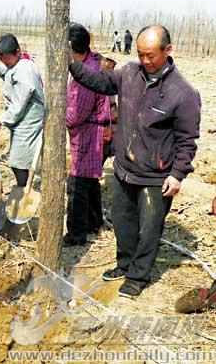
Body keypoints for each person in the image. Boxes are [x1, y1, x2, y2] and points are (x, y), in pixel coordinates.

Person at [68, 25, 201, 298]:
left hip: (156, 175)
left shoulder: (183, 93)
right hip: (124, 168)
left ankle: (138, 277)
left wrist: (177, 174)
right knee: (122, 220)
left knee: (149, 228)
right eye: (140, 54)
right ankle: (124, 264)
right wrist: (72, 65)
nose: (144, 60)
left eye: (150, 55)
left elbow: (187, 140)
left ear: (168, 50)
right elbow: (101, 82)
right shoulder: (130, 73)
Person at [64, 23, 111, 246]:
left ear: (72, 49)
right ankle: (95, 223)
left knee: (77, 185)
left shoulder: (86, 75)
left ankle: (76, 234)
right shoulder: (90, 62)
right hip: (93, 132)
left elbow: (76, 115)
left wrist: (57, 121)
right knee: (90, 181)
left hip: (89, 135)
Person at [0, 33, 44, 188]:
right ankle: (25, 187)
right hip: (21, 122)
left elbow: (19, 105)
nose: (4, 62)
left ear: (17, 52)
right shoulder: (17, 65)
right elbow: (9, 74)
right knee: (21, 161)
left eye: (6, 59)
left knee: (20, 162)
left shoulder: (25, 70)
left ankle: (25, 190)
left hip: (29, 122)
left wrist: (1, 119)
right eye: (1, 59)